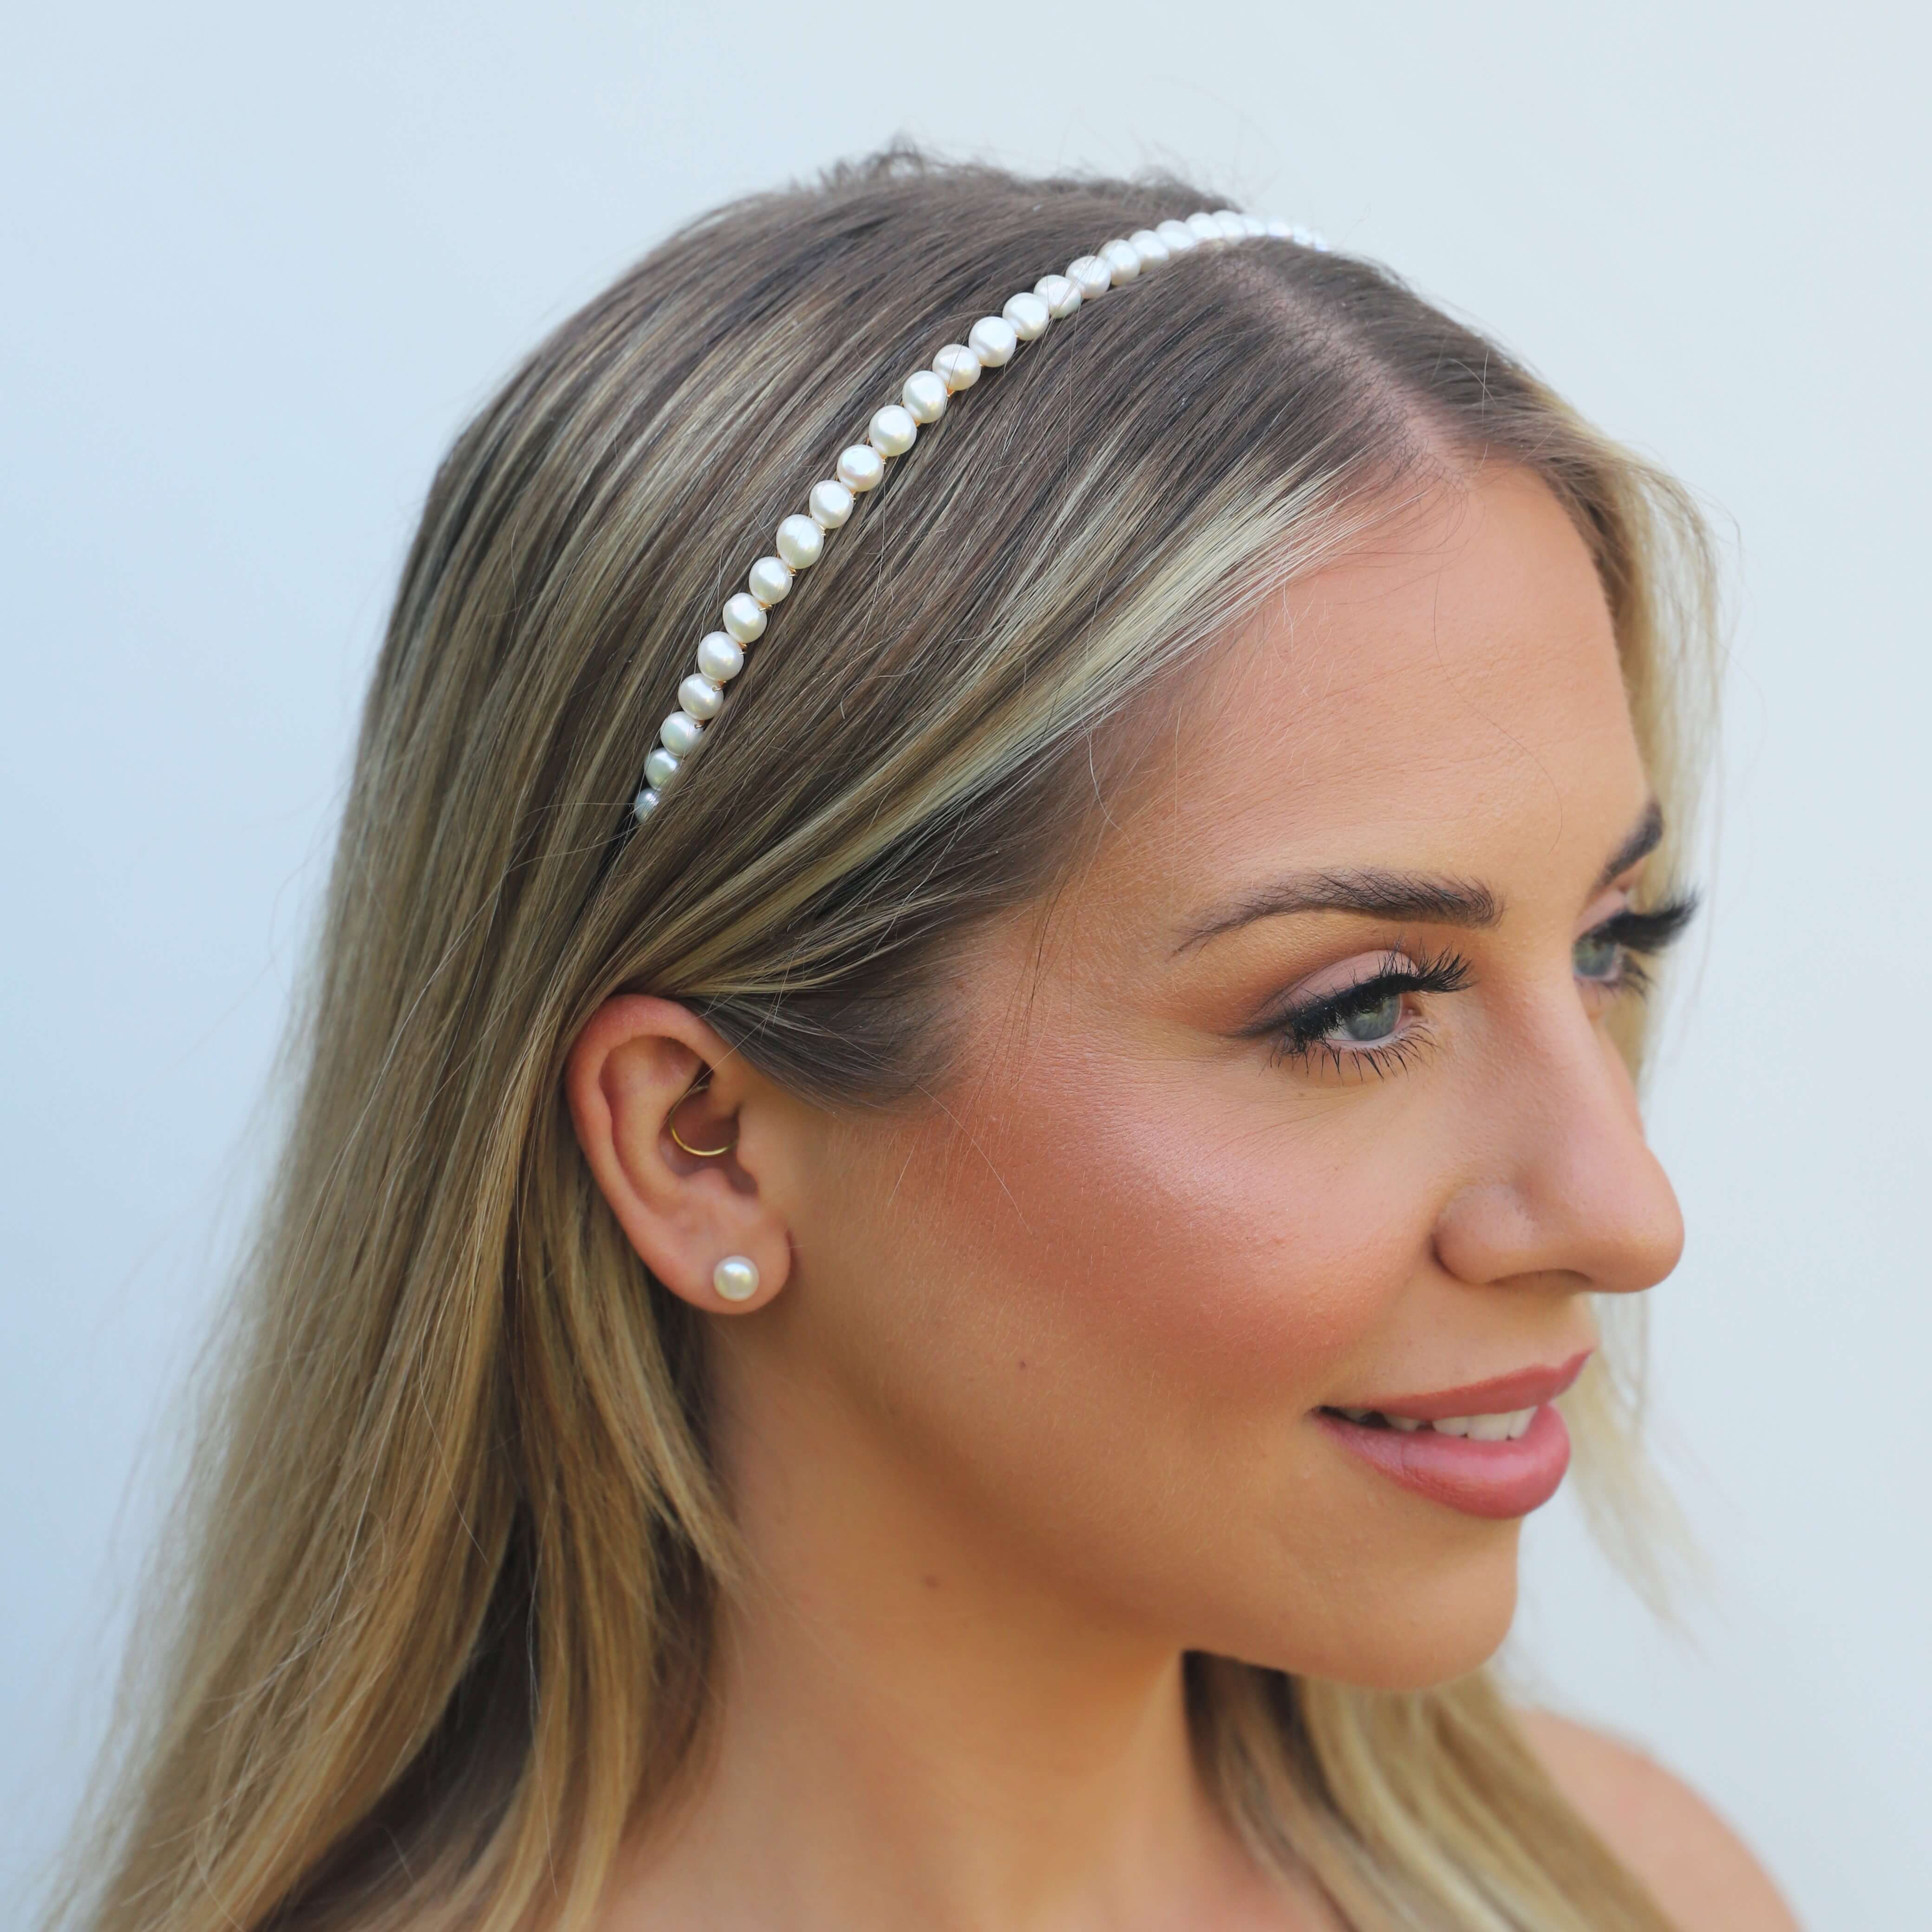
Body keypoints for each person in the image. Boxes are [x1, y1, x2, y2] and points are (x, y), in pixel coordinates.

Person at [56, 151, 1799, 1932]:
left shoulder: (1635, 1897)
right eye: (1359, 1010)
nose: (1625, 1210)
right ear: (700, 1143)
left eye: (1607, 947)